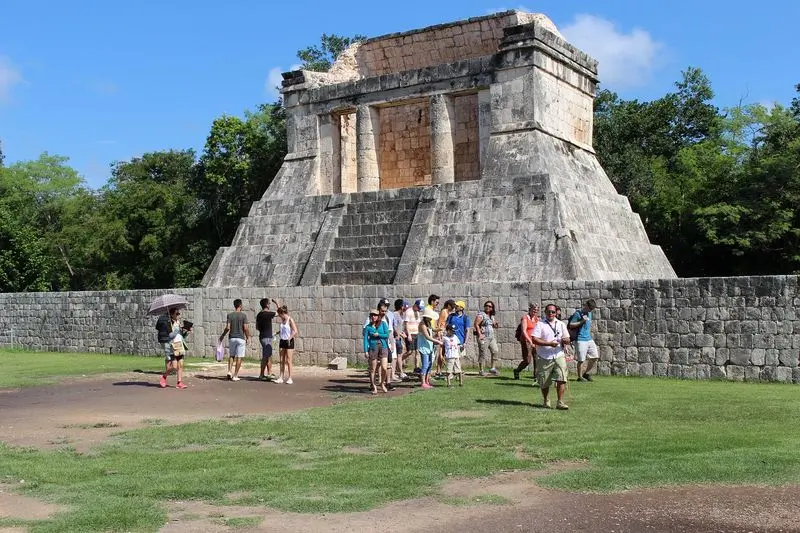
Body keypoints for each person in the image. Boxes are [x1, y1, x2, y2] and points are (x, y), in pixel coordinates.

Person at [532, 303, 572, 410]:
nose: (551, 313)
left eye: (553, 312)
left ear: (556, 313)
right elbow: (534, 339)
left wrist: (564, 340)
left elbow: (568, 339)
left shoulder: (561, 324)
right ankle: (546, 400)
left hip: (559, 354)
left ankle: (560, 402)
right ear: (545, 313)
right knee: (544, 382)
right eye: (548, 311)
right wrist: (548, 343)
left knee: (562, 377)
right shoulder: (540, 324)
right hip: (544, 356)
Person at [156, 307, 191, 389]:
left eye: (179, 313)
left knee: (181, 365)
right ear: (172, 315)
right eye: (177, 313)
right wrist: (177, 330)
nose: (178, 315)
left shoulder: (179, 323)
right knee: (174, 366)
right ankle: (164, 377)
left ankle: (179, 382)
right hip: (173, 346)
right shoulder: (169, 323)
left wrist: (186, 332)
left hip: (180, 345)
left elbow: (181, 336)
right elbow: (170, 336)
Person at [219, 299, 249, 381]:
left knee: (231, 355)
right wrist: (248, 337)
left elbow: (228, 327)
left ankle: (229, 371)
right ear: (240, 305)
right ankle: (235, 375)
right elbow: (245, 328)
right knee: (239, 356)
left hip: (232, 337)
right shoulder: (243, 316)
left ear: (234, 305)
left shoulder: (230, 315)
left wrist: (222, 335)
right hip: (241, 338)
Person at [569, 299, 598, 382]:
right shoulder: (578, 314)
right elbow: (571, 325)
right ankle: (580, 377)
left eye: (592, 309)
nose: (591, 310)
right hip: (580, 339)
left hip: (589, 339)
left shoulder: (589, 313)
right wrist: (582, 321)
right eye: (590, 308)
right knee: (581, 360)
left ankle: (585, 373)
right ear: (586, 306)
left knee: (595, 357)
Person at [363, 309, 390, 394]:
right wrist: (365, 351)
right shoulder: (368, 327)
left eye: (375, 315)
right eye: (372, 315)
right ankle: (374, 386)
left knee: (384, 367)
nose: (374, 317)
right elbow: (365, 339)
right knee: (373, 369)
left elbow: (387, 335)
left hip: (383, 346)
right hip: (373, 347)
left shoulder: (383, 324)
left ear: (378, 316)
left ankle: (382, 383)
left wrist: (379, 335)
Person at [417, 308, 442, 389]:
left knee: (430, 365)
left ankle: (427, 381)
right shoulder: (422, 324)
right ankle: (423, 382)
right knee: (425, 365)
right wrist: (438, 341)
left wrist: (439, 329)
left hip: (429, 346)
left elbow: (433, 330)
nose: (431, 318)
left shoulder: (428, 323)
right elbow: (427, 337)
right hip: (424, 347)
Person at [473, 300, 500, 376]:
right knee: (483, 353)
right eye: (486, 306)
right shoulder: (481, 315)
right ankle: (481, 370)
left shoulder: (491, 316)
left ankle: (492, 368)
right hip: (484, 336)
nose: (488, 307)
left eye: (490, 306)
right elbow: (476, 324)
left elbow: (493, 326)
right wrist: (480, 334)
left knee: (495, 351)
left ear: (492, 308)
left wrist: (496, 325)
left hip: (491, 337)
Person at [514, 304, 540, 380]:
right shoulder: (525, 318)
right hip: (526, 340)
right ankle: (517, 371)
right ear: (530, 309)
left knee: (536, 358)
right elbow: (524, 331)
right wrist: (530, 341)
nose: (535, 311)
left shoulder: (537, 319)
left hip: (535, 340)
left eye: (536, 310)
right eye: (533, 309)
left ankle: (536, 376)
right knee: (527, 360)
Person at [256, 297, 279, 381]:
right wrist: (277, 303)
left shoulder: (259, 314)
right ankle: (262, 374)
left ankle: (268, 373)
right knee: (266, 356)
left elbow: (257, 327)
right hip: (266, 337)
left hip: (262, 336)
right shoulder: (267, 314)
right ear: (266, 305)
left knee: (268, 355)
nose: (270, 305)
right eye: (269, 303)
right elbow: (280, 312)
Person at [275, 305, 298, 384]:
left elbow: (295, 331)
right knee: (281, 360)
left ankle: (290, 378)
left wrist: (289, 338)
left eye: (279, 314)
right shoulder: (282, 319)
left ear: (282, 313)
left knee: (288, 360)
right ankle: (281, 377)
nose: (278, 316)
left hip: (289, 341)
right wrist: (277, 332)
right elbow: (283, 330)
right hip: (282, 341)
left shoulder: (290, 319)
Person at [434, 299, 456, 378]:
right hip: (442, 332)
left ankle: (440, 370)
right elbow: (440, 323)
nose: (453, 308)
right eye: (452, 306)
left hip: (445, 332)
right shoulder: (444, 311)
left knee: (443, 352)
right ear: (448, 305)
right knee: (441, 352)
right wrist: (439, 333)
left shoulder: (448, 312)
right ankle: (438, 370)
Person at [392, 299, 409, 380]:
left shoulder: (400, 315)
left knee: (399, 355)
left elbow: (399, 327)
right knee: (398, 355)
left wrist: (402, 333)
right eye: (403, 305)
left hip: (399, 338)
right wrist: (401, 335)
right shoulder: (395, 314)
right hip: (396, 338)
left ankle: (398, 371)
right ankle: (399, 372)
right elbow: (394, 327)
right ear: (401, 306)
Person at [404, 299, 422, 373]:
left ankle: (416, 367)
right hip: (410, 334)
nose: (419, 309)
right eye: (419, 308)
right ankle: (399, 361)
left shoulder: (417, 312)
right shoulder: (408, 312)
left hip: (417, 333)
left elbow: (418, 323)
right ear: (415, 305)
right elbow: (406, 324)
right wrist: (408, 335)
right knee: (410, 351)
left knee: (417, 351)